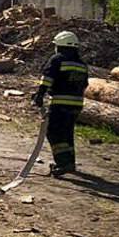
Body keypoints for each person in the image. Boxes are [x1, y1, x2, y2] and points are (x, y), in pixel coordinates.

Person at [32, 31, 89, 177]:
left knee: (54, 132)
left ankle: (63, 163)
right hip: (76, 105)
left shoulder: (58, 59)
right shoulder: (81, 64)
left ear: (60, 45)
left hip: (60, 102)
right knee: (67, 133)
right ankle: (70, 162)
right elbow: (85, 84)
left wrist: (40, 95)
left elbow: (47, 78)